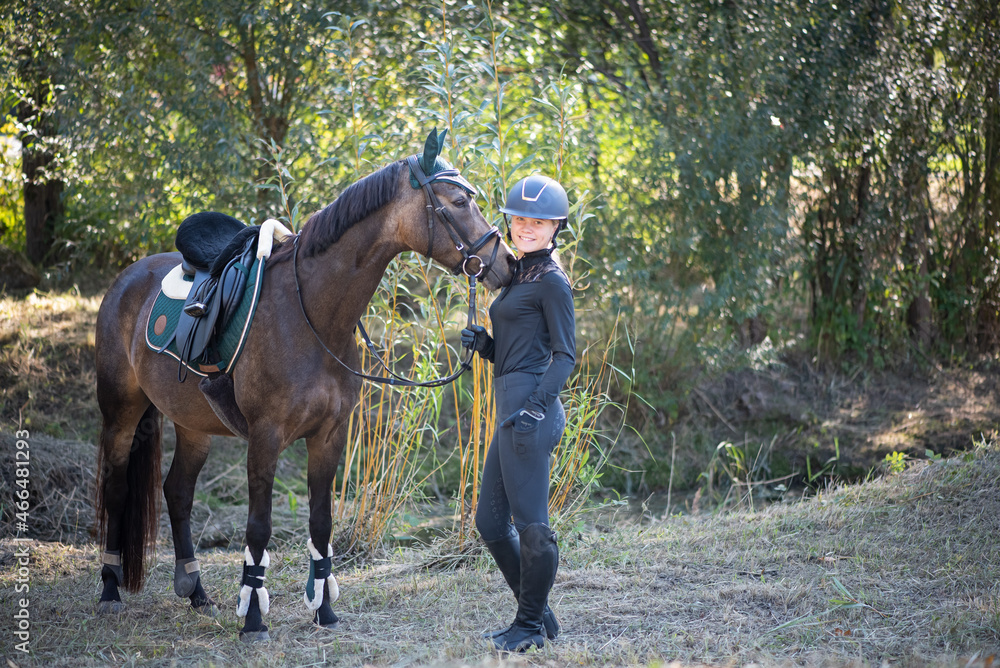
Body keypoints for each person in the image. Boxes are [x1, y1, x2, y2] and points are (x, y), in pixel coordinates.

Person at [461, 174, 576, 652]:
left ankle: (527, 626)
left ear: (555, 228)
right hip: (512, 404)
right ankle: (539, 613)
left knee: (533, 525)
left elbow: (565, 356)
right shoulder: (519, 273)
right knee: (490, 523)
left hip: (530, 409)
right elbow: (519, 348)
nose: (526, 227)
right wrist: (486, 346)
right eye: (520, 219)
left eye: (538, 221)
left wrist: (535, 408)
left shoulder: (551, 281)